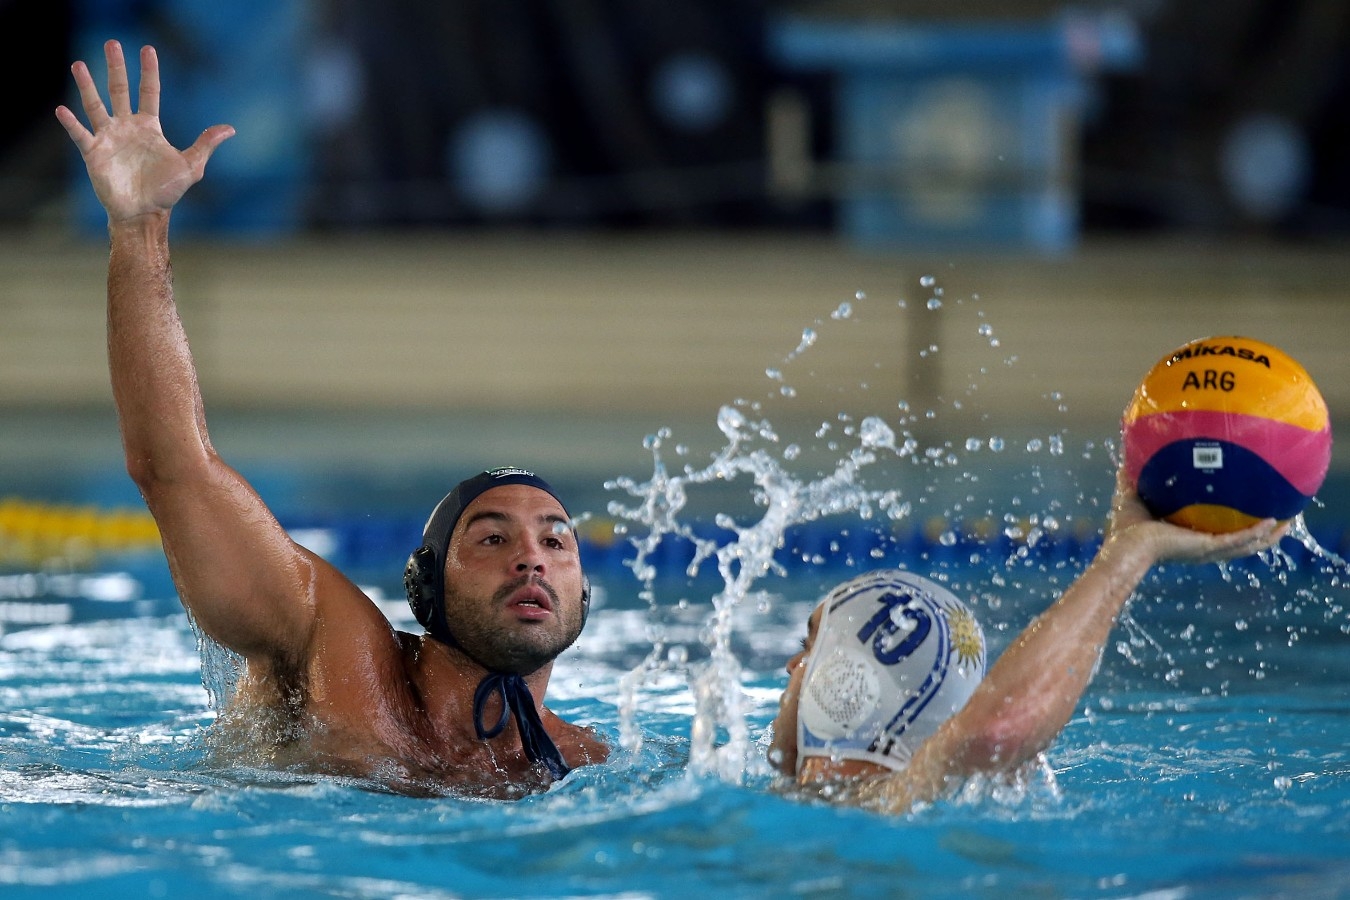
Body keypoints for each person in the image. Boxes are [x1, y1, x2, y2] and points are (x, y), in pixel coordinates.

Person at [56, 40, 607, 798]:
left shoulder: (587, 765)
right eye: (491, 537)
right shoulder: (332, 642)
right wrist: (139, 228)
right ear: (426, 592)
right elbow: (174, 468)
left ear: (585, 596)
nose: (532, 558)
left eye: (556, 540)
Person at [768, 465, 1288, 813]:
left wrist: (1129, 555)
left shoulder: (880, 808)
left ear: (846, 682)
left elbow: (991, 732)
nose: (794, 667)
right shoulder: (829, 802)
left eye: (811, 648)